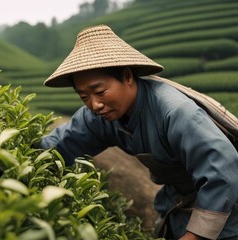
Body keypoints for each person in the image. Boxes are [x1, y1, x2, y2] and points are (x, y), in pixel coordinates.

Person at [39, 24, 238, 239]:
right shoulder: (98, 116)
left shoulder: (175, 112)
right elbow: (59, 146)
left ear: (127, 76)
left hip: (225, 210)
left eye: (100, 91)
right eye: (84, 97)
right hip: (177, 205)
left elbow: (223, 173)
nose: (94, 104)